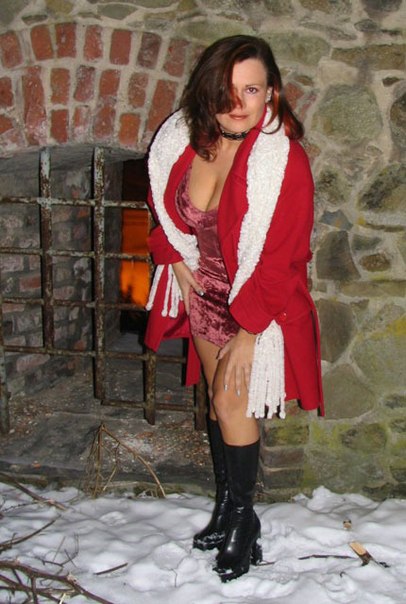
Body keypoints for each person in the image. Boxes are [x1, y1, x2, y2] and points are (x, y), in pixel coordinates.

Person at [144, 34, 324, 582]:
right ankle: (226, 507)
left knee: (231, 401)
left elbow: (284, 258)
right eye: (227, 89)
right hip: (203, 294)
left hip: (257, 303)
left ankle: (244, 522)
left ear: (271, 92)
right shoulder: (183, 138)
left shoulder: (283, 160)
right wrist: (174, 258)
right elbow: (160, 200)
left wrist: (248, 333)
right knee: (218, 405)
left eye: (251, 89)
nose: (238, 103)